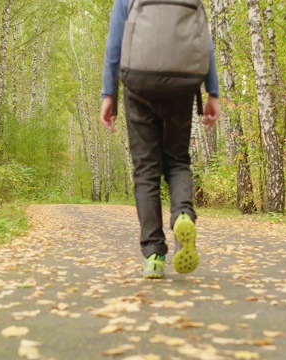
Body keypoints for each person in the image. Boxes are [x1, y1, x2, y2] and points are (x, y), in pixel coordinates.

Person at [100, 0, 221, 279]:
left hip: (139, 83)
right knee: (178, 161)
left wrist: (109, 94)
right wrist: (212, 91)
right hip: (182, 83)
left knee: (146, 170)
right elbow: (204, 43)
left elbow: (115, 43)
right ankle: (182, 215)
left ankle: (154, 255)